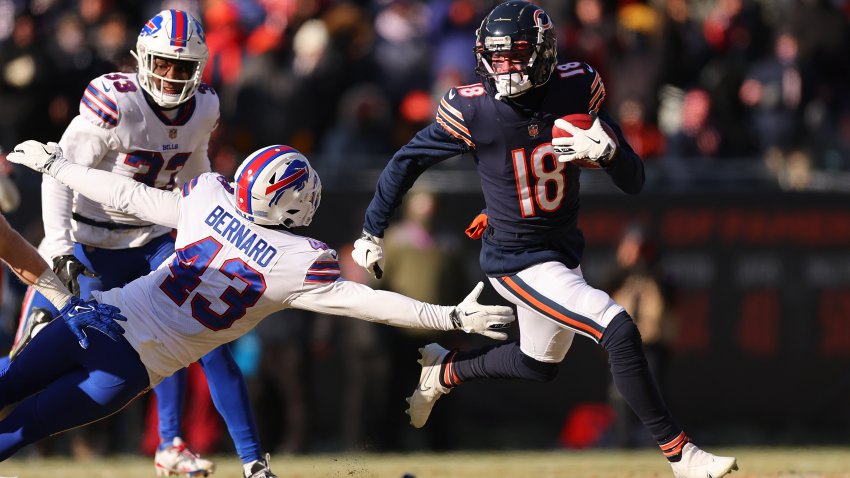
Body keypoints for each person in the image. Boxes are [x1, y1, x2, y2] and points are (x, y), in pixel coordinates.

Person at [350, 2, 737, 478]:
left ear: (542, 53)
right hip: (516, 258)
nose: (505, 68)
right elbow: (406, 160)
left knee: (538, 363)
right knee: (616, 326)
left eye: (515, 56)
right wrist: (373, 227)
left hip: (560, 250)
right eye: (497, 57)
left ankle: (445, 369)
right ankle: (683, 455)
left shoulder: (577, 85)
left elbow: (634, 179)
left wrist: (611, 152)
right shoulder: (473, 106)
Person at [3, 142, 515, 476]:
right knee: (18, 429)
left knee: (7, 387)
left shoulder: (207, 200)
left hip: (98, 320)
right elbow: (370, 303)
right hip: (133, 368)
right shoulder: (298, 262)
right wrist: (447, 316)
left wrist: (58, 166)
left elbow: (128, 196)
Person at [11, 9, 265, 477]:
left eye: (182, 66)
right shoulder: (115, 100)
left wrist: (209, 228)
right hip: (87, 247)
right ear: (143, 59)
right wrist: (62, 245)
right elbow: (56, 173)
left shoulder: (204, 106)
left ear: (199, 68)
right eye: (163, 63)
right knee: (31, 362)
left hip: (151, 241)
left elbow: (195, 169)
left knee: (203, 338)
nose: (171, 76)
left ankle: (236, 459)